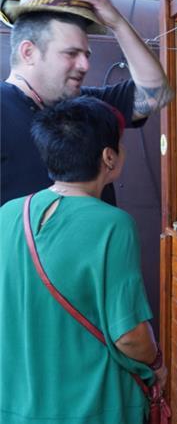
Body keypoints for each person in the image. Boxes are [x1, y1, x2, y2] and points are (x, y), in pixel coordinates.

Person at [0, 96, 167, 423]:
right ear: (109, 157)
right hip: (93, 406)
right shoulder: (112, 224)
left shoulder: (7, 214)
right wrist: (157, 365)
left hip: (16, 404)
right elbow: (129, 336)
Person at [1, 0, 173, 205]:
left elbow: (157, 93)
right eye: (71, 53)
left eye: (86, 54)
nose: (85, 65)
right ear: (28, 53)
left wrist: (118, 24)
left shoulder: (86, 105)